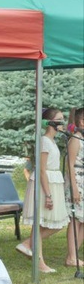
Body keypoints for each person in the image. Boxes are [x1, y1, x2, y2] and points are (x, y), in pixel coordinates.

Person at [17, 108, 70, 273]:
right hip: (45, 184)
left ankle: (27, 244)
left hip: (53, 181)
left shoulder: (52, 141)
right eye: (60, 119)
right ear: (50, 122)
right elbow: (41, 170)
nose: (63, 122)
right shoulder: (45, 141)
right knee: (40, 222)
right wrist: (47, 195)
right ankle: (39, 263)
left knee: (56, 224)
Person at [64, 107, 84, 267]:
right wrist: (74, 188)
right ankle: (71, 256)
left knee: (83, 220)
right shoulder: (75, 139)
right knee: (75, 219)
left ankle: (74, 255)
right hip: (77, 180)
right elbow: (70, 165)